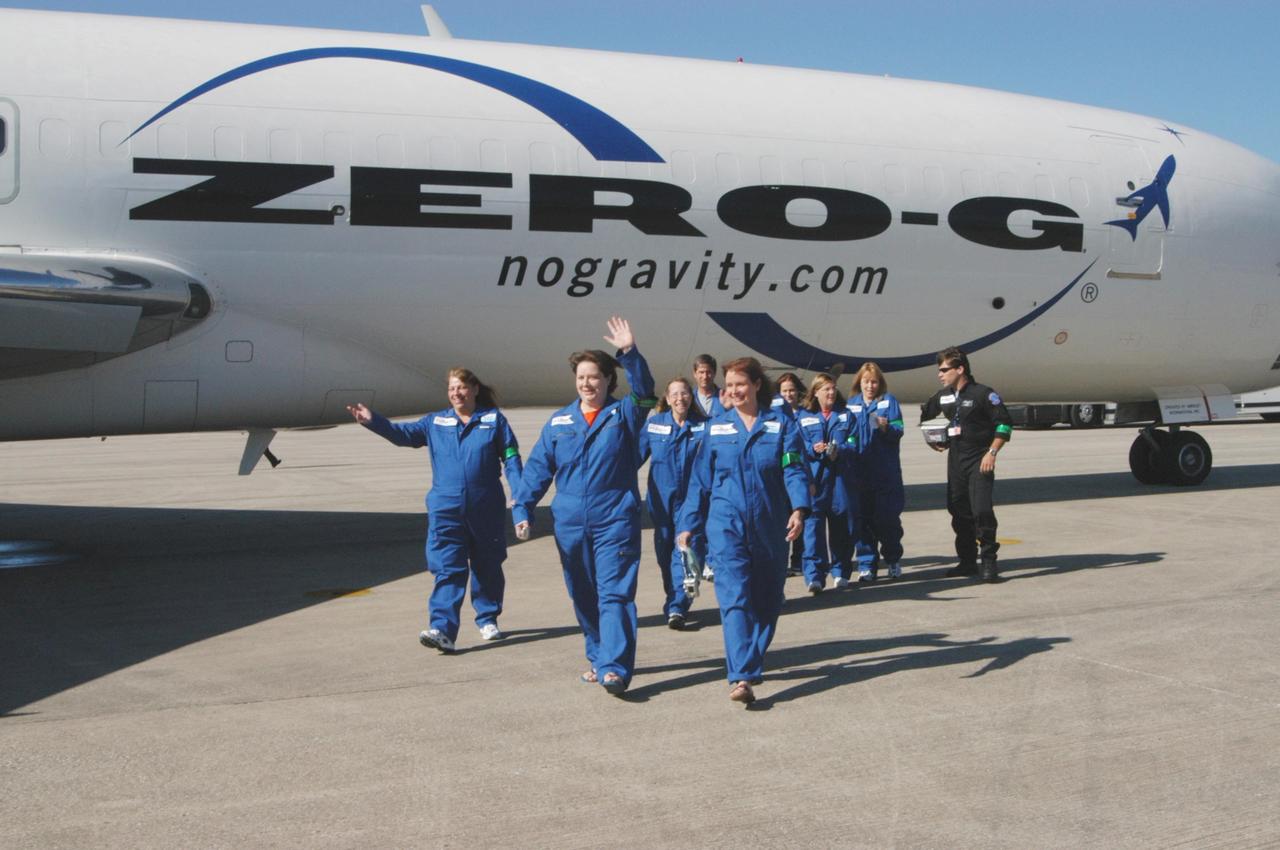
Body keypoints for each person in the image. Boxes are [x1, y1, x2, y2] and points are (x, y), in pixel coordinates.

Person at [513, 316, 655, 695]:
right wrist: (523, 508)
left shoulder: (623, 414)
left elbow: (645, 393)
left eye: (594, 377)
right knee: (582, 592)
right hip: (571, 520)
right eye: (581, 377)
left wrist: (630, 353)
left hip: (614, 518)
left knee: (614, 593)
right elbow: (540, 467)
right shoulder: (560, 420)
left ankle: (615, 667)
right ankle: (597, 656)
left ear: (610, 379)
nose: (587, 383)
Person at [346, 368, 525, 653]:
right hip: (446, 509)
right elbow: (402, 434)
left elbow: (512, 459)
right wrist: (373, 422)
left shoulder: (494, 421)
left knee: (487, 565)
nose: (457, 393)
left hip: (486, 508)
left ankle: (488, 617)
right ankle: (443, 629)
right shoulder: (436, 421)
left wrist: (520, 494)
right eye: (452, 388)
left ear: (475, 389)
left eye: (462, 387)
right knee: (447, 568)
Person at [677, 357, 811, 705]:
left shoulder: (781, 425)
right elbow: (700, 482)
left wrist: (798, 507)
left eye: (740, 384)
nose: (734, 391)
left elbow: (794, 469)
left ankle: (749, 660)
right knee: (734, 598)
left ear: (755, 385)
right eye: (729, 385)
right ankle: (742, 675)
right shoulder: (716, 429)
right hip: (726, 524)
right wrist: (688, 523)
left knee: (767, 601)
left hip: (770, 523)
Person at [920, 347, 1012, 583]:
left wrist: (992, 452)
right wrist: (934, 440)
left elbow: (1004, 425)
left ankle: (989, 561)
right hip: (956, 463)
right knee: (958, 512)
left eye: (944, 370)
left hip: (979, 461)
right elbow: (926, 416)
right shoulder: (943, 395)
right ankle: (967, 561)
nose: (940, 374)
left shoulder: (983, 394)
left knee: (981, 511)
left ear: (960, 369)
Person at [638, 377, 708, 630]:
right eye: (675, 394)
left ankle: (678, 605)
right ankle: (674, 597)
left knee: (686, 548)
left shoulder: (704, 427)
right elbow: (634, 457)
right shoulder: (655, 425)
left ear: (692, 397)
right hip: (661, 503)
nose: (680, 398)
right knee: (664, 555)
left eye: (685, 393)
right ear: (667, 399)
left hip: (691, 503)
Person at [796, 373, 856, 592]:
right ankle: (815, 575)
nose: (831, 393)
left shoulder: (846, 416)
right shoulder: (803, 416)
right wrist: (813, 449)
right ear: (816, 393)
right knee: (812, 529)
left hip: (840, 479)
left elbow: (853, 442)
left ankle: (840, 571)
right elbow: (797, 446)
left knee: (841, 525)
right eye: (826, 389)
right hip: (815, 479)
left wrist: (839, 451)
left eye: (833, 389)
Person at [847, 361, 905, 581]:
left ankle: (892, 560)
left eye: (874, 382)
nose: (870, 386)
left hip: (885, 473)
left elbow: (899, 430)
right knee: (862, 521)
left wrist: (886, 427)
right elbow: (846, 433)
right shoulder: (852, 404)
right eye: (866, 382)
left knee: (887, 519)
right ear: (859, 383)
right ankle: (866, 563)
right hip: (859, 473)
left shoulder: (889, 402)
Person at [771, 371, 806, 577]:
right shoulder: (774, 421)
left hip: (794, 476)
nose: (788, 394)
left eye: (792, 390)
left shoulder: (805, 416)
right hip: (778, 481)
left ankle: (798, 560)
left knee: (798, 519)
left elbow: (798, 456)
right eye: (784, 391)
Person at [692, 353, 726, 418]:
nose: (705, 377)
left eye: (709, 372)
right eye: (701, 372)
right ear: (695, 374)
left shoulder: (725, 397)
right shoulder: (690, 399)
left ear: (714, 373)